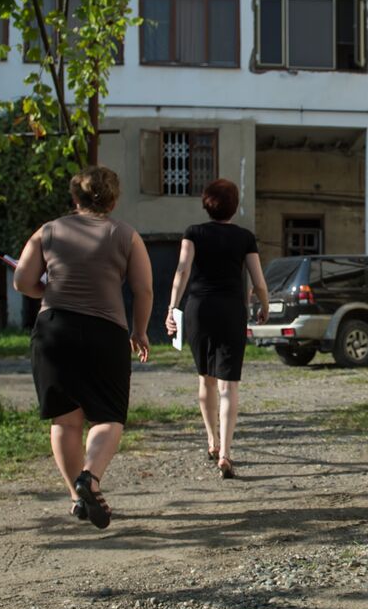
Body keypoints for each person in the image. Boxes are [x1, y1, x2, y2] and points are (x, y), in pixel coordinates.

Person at [14, 165, 152, 530]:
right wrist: (139, 330)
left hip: (54, 330)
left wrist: (47, 291)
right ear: (113, 199)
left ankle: (77, 499)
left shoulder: (48, 231)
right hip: (105, 333)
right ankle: (90, 479)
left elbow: (22, 281)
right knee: (108, 416)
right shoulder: (126, 235)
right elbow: (143, 289)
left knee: (65, 419)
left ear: (75, 198)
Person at [165, 178, 269, 479]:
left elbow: (182, 271)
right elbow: (258, 281)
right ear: (234, 206)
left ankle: (211, 441)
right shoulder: (245, 238)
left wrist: (172, 308)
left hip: (199, 310)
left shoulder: (193, 233)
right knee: (228, 385)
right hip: (230, 311)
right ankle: (225, 453)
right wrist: (264, 306)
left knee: (206, 379)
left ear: (206, 204)